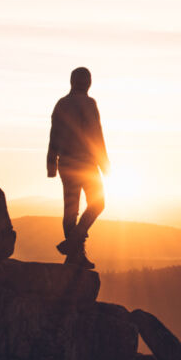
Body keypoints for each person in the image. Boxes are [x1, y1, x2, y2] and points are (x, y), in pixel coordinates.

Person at [46, 66, 110, 269]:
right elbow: (95, 135)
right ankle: (74, 244)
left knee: (70, 210)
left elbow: (53, 134)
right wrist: (104, 163)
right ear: (88, 82)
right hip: (86, 164)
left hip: (66, 164)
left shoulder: (61, 104)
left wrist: (51, 164)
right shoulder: (89, 104)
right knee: (98, 203)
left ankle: (75, 255)